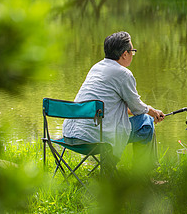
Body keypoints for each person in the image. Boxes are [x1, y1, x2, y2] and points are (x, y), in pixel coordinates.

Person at [62, 31, 165, 169]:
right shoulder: (123, 74)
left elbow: (113, 107)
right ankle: (142, 173)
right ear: (124, 54)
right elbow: (137, 109)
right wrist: (152, 112)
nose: (132, 55)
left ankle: (109, 170)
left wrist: (148, 111)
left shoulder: (96, 68)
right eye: (132, 51)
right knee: (146, 123)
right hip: (94, 138)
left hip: (70, 135)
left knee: (120, 122)